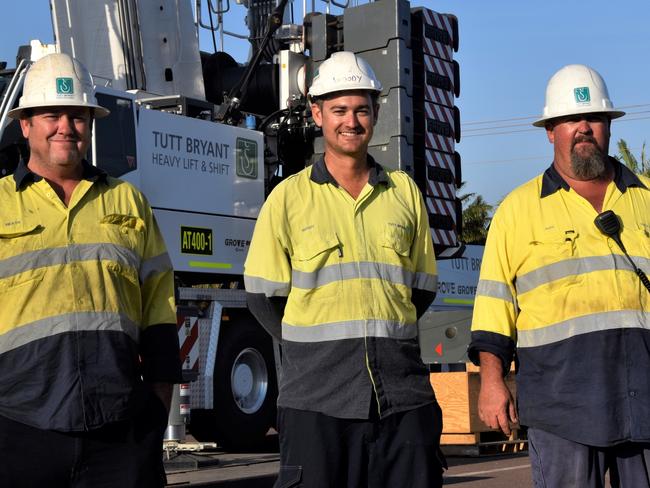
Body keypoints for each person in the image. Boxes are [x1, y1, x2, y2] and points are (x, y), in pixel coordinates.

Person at [244, 51, 445, 487]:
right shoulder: (288, 199)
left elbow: (422, 289)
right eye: (338, 110)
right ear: (317, 114)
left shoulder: (404, 193)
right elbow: (262, 297)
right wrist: (317, 352)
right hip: (317, 404)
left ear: (375, 113)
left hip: (402, 399)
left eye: (361, 109)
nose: (350, 121)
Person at [0, 53, 181, 487]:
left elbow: (158, 308)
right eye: (52, 114)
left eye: (78, 115)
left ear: (91, 124)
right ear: (26, 125)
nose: (66, 126)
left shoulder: (128, 203)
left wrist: (155, 412)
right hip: (19, 431)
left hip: (118, 435)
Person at [469, 64, 650, 487]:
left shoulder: (646, 199)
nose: (583, 128)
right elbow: (495, 310)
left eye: (593, 119)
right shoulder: (518, 210)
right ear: (550, 130)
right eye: (571, 119)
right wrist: (493, 382)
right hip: (562, 408)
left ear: (607, 125)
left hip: (644, 401)